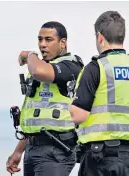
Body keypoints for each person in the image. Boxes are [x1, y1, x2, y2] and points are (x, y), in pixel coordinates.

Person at [69, 11, 129, 176]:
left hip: (98, 158)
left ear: (100, 37)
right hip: (128, 157)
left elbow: (78, 115)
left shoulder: (95, 68)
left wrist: (70, 101)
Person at [6, 21, 84, 176]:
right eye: (40, 40)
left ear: (63, 43)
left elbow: (39, 71)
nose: (42, 45)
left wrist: (29, 55)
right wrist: (18, 152)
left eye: (48, 40)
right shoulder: (42, 66)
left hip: (57, 151)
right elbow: (39, 122)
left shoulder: (71, 66)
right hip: (33, 149)